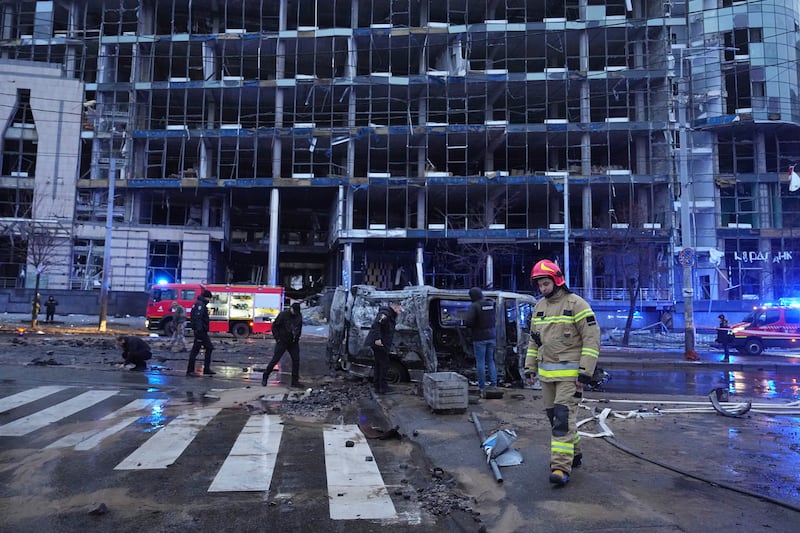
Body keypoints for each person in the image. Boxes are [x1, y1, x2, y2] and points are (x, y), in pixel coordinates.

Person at [524, 259, 601, 487]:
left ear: (557, 280)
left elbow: (591, 338)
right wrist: (529, 367)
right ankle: (574, 453)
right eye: (539, 285)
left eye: (545, 283)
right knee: (556, 419)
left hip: (570, 377)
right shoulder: (539, 307)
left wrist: (585, 372)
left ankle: (560, 467)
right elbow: (533, 342)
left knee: (562, 420)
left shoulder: (576, 304)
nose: (542, 288)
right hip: (547, 377)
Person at [464, 287, 497, 394]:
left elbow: (468, 322)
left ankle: (482, 386)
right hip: (492, 336)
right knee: (491, 361)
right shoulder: (490, 303)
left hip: (479, 338)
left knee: (480, 362)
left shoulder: (474, 306)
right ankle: (493, 384)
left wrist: (464, 322)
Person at [364, 301, 402, 395]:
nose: (400, 311)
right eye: (399, 309)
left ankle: (378, 386)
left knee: (379, 364)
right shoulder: (385, 314)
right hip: (378, 343)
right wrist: (377, 339)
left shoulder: (390, 315)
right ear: (395, 307)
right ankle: (383, 387)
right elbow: (377, 324)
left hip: (381, 343)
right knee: (384, 365)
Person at [262, 302, 304, 387]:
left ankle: (294, 382)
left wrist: (297, 337)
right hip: (282, 341)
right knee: (275, 359)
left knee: (296, 361)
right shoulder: (283, 315)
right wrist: (277, 338)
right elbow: (274, 326)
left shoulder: (298, 316)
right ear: (291, 308)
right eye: (294, 311)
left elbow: (299, 327)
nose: (295, 313)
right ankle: (265, 376)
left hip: (293, 342)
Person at [186, 289, 215, 376]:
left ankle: (206, 369)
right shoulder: (200, 305)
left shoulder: (200, 304)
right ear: (207, 297)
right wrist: (199, 330)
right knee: (196, 350)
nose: (209, 301)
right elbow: (198, 318)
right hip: (200, 331)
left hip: (202, 331)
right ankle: (190, 371)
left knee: (208, 348)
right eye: (209, 299)